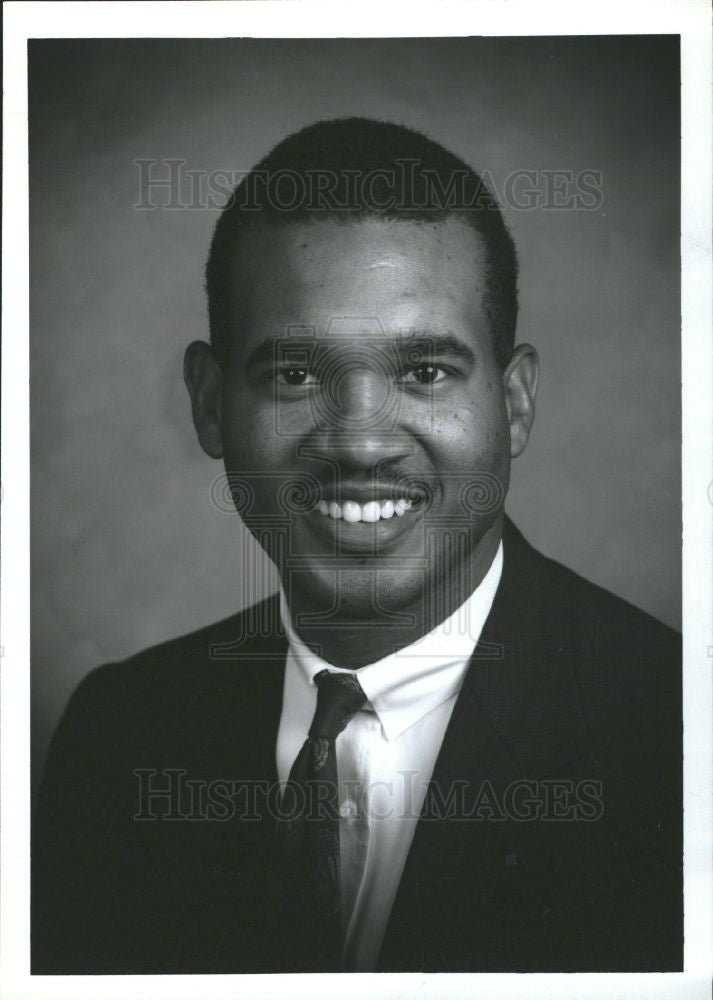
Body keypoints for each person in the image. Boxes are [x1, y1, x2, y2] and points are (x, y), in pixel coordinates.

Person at [32, 117, 682, 974]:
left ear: (516, 402)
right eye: (297, 375)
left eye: (424, 372)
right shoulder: (119, 736)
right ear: (209, 403)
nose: (361, 443)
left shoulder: (676, 735)